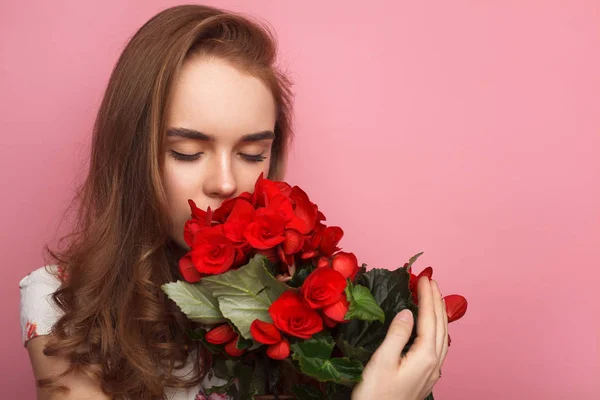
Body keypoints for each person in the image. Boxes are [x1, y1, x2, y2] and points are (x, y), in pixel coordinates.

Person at [20, 4, 449, 400]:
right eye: (187, 152)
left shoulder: (298, 296)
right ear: (132, 154)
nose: (226, 183)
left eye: (251, 154)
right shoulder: (62, 305)